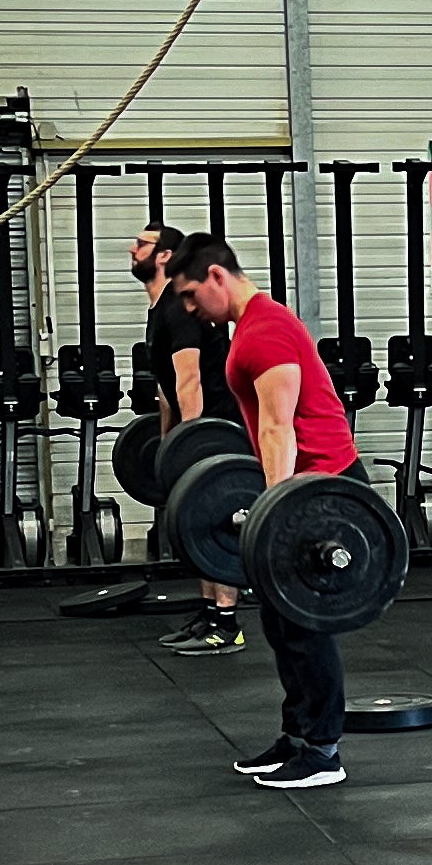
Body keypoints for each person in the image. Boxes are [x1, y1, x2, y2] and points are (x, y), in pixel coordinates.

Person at [167, 235, 362, 790]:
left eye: (188, 295)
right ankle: (298, 734)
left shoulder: (268, 329)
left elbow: (280, 428)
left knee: (304, 621)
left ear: (216, 278)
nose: (187, 308)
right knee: (279, 621)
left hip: (319, 486)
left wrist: (274, 510)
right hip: (299, 484)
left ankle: (323, 751)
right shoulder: (249, 327)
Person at [133, 220, 243, 658]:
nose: (132, 250)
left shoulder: (178, 310)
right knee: (193, 523)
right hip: (193, 431)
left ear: (163, 255)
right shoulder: (160, 309)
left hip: (215, 430)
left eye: (141, 244)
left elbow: (190, 381)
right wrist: (165, 446)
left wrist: (190, 443)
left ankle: (227, 623)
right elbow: (165, 389)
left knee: (215, 523)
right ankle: (208, 612)